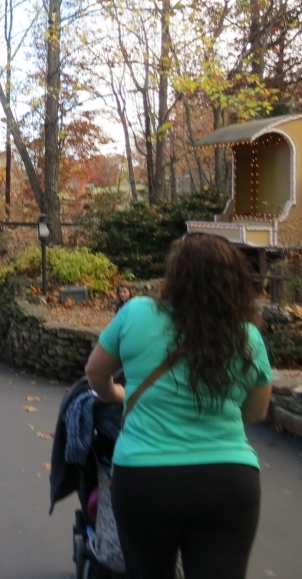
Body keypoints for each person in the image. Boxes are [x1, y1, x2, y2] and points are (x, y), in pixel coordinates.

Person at [85, 234, 272, 579]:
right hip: (228, 479)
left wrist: (114, 395)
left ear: (175, 274)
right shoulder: (247, 336)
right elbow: (256, 411)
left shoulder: (137, 313)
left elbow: (95, 372)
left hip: (145, 475)